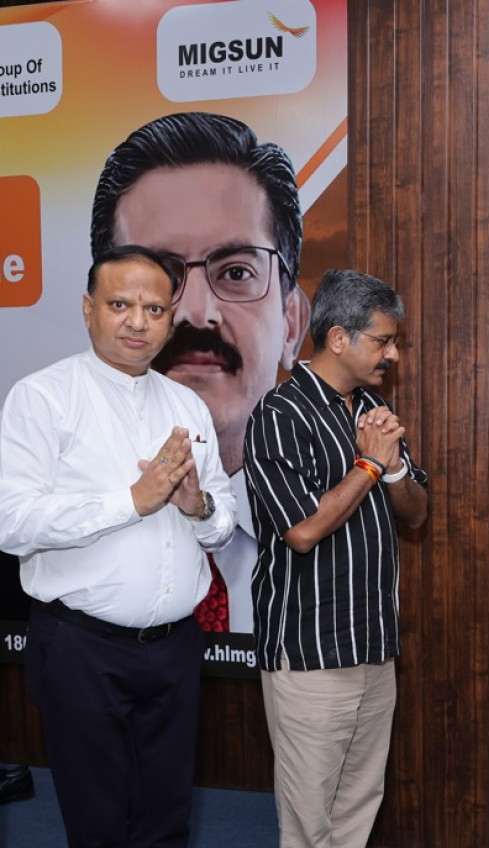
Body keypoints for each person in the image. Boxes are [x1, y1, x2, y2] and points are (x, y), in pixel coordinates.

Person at [0, 247, 239, 848]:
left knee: (166, 812)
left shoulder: (186, 403)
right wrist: (131, 499)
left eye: (154, 308)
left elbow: (223, 523)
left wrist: (196, 505)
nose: (137, 322)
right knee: (100, 818)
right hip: (80, 646)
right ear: (88, 308)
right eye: (119, 305)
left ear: (171, 318)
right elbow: (12, 522)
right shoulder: (43, 398)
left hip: (172, 645)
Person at [244, 269, 427, 848]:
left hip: (372, 638)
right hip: (308, 646)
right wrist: (368, 463)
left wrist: (392, 471)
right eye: (383, 341)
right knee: (309, 806)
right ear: (340, 337)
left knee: (357, 796)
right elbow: (301, 529)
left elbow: (416, 512)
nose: (392, 354)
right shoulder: (279, 414)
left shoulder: (374, 408)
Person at [90, 112, 311, 634]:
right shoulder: (51, 481)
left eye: (235, 272)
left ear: (291, 324)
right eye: (160, 276)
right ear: (99, 308)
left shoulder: (336, 520)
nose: (193, 311)